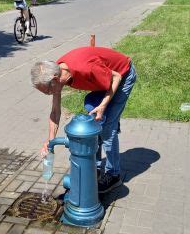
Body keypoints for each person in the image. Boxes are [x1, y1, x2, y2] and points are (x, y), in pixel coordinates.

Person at [30, 46, 137, 193]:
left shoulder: (84, 69)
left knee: (106, 128)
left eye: (48, 91)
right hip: (104, 79)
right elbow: (55, 112)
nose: (49, 95)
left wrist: (103, 105)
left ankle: (114, 174)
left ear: (55, 80)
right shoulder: (58, 73)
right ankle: (96, 168)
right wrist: (50, 142)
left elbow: (116, 77)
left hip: (123, 75)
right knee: (95, 120)